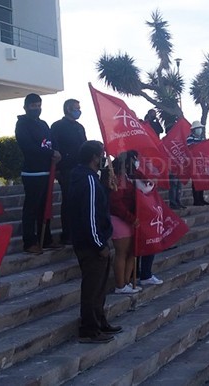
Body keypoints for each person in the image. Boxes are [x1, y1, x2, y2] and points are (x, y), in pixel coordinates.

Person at [66, 140, 121, 343]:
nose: (104, 158)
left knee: (100, 286)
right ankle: (89, 328)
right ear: (94, 157)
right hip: (91, 245)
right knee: (92, 287)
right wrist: (99, 244)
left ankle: (100, 321)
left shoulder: (87, 177)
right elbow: (89, 214)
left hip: (92, 241)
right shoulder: (87, 180)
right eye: (102, 154)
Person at [16, 94, 62, 253]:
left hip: (47, 171)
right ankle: (29, 242)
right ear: (26, 107)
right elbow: (28, 147)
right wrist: (50, 154)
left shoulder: (43, 124)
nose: (37, 109)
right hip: (32, 173)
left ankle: (46, 238)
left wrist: (56, 152)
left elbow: (52, 141)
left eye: (39, 105)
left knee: (45, 207)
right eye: (33, 106)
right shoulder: (22, 125)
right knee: (32, 208)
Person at [51, 98, 86, 245]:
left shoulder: (79, 127)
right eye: (75, 108)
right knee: (68, 202)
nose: (78, 111)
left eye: (79, 108)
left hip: (80, 169)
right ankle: (68, 234)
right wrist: (58, 170)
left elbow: (85, 146)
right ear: (68, 109)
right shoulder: (57, 126)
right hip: (66, 169)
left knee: (80, 202)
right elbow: (54, 147)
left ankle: (78, 231)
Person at [109, 151, 142, 294]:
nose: (136, 162)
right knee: (122, 253)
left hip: (130, 219)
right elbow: (116, 203)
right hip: (120, 219)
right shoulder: (117, 178)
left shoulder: (128, 177)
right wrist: (130, 217)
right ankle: (120, 285)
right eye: (134, 160)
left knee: (131, 252)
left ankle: (127, 281)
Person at [187, 120, 209, 206]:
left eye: (200, 128)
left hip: (201, 162)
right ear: (194, 130)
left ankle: (201, 198)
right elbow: (191, 149)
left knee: (202, 181)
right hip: (194, 162)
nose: (200, 130)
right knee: (196, 181)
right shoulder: (190, 138)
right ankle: (196, 200)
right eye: (198, 128)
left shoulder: (201, 139)